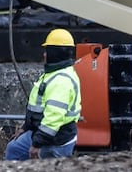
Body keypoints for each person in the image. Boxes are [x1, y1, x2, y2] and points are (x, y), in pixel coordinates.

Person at [5, 29, 82, 159]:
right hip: (45, 134)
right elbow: (37, 109)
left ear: (55, 53)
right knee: (14, 149)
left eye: (48, 51)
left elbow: (54, 118)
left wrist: (37, 143)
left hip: (56, 140)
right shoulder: (53, 74)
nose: (44, 55)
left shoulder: (60, 81)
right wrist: (26, 127)